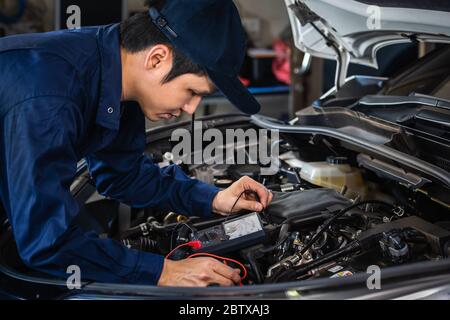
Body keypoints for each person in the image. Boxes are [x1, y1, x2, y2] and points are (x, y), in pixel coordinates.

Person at [0, 0, 273, 287]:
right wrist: (162, 272)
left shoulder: (119, 73)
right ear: (157, 58)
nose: (191, 108)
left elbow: (123, 176)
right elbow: (46, 243)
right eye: (192, 91)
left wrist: (212, 199)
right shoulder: (49, 95)